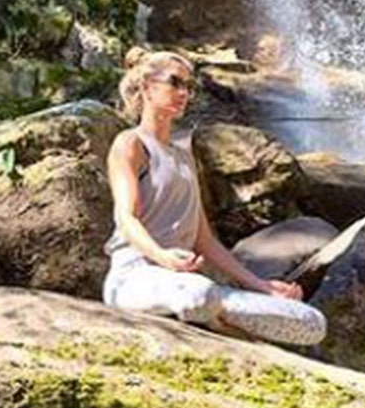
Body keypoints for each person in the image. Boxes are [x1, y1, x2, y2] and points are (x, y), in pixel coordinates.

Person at [102, 48, 327, 346]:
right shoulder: (130, 144)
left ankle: (218, 316)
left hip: (184, 282)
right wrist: (162, 256)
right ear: (146, 87)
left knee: (311, 322)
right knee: (200, 293)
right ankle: (219, 319)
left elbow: (204, 241)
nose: (184, 93)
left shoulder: (184, 157)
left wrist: (262, 286)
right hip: (135, 277)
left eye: (189, 86)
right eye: (175, 83)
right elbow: (126, 218)